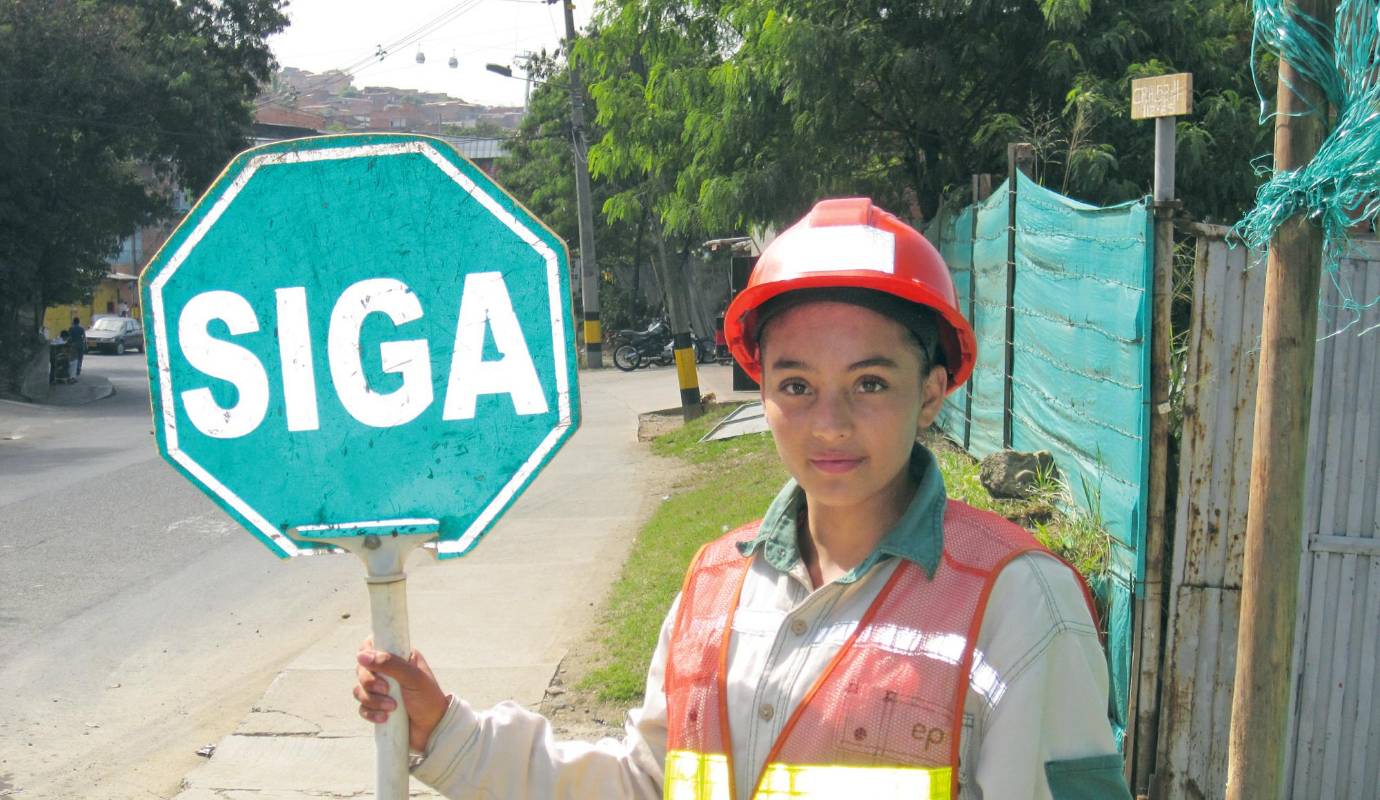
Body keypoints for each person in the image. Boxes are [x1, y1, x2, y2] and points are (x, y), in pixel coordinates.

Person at [353, 198, 1131, 799]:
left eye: (870, 383)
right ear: (761, 392)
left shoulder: (1017, 606)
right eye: (797, 384)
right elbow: (644, 782)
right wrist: (447, 731)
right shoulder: (713, 586)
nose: (830, 423)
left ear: (931, 393)